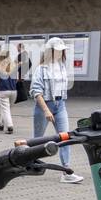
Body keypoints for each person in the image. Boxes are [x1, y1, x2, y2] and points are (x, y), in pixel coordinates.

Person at [30, 37, 82, 183]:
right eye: (57, 50)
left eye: (62, 50)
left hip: (60, 105)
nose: (60, 53)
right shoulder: (41, 69)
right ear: (50, 51)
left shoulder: (62, 66)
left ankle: (67, 171)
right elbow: (35, 91)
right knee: (37, 139)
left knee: (65, 137)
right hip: (44, 106)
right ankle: (30, 163)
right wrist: (46, 110)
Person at [0, 48, 15, 134]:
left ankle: (9, 126)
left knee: (5, 109)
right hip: (13, 90)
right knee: (6, 108)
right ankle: (1, 124)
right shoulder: (13, 66)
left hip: (3, 89)